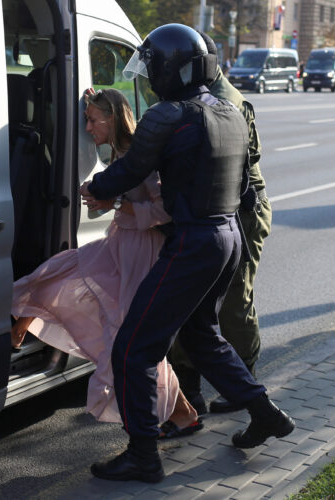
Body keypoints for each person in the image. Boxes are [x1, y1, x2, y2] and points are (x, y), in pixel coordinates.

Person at [80, 24, 294, 483]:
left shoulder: (168, 114)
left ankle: (142, 455)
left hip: (194, 241)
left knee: (133, 348)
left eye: (153, 66)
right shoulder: (230, 111)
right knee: (202, 336)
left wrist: (94, 188)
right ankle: (265, 414)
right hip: (228, 236)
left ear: (168, 69)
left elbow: (132, 169)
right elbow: (243, 187)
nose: (151, 76)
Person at [11, 87, 203, 438]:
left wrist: (114, 203)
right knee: (59, 272)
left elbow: (164, 210)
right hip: (120, 245)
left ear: (113, 118)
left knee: (130, 338)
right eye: (86, 120)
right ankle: (182, 414)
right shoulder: (119, 151)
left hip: (142, 253)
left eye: (92, 120)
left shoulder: (140, 156)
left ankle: (166, 418)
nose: (87, 128)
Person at [167, 31, 271, 415]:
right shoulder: (194, 94)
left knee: (232, 302)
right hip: (210, 206)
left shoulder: (226, 102)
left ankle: (245, 381)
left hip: (240, 209)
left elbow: (233, 166)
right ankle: (190, 385)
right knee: (190, 302)